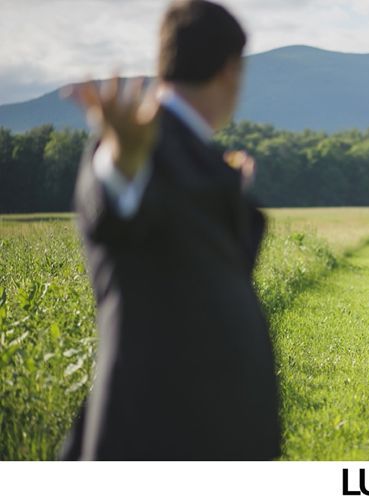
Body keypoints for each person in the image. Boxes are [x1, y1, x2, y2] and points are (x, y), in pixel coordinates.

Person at [60, 0, 280, 459]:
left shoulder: (200, 159)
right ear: (230, 69)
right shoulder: (141, 144)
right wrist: (122, 161)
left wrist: (231, 194)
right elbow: (112, 208)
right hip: (157, 440)